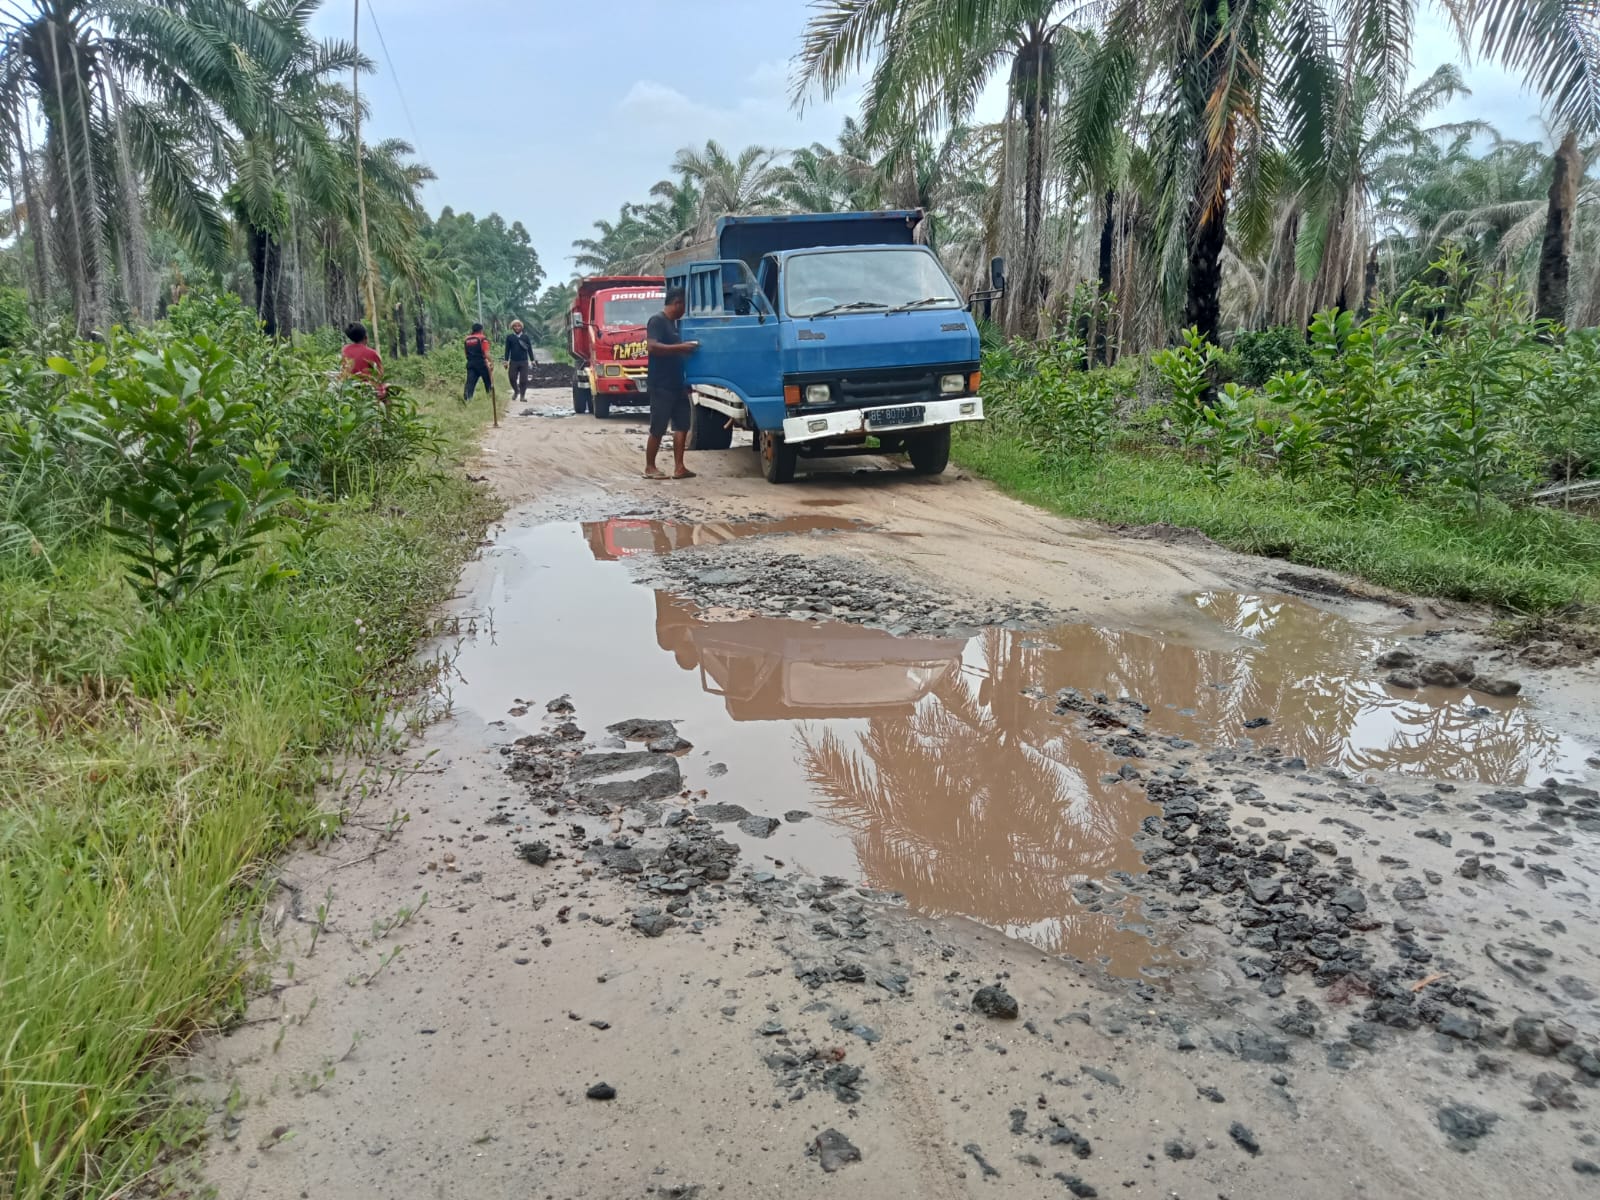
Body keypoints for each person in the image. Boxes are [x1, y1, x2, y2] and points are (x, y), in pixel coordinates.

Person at [644, 288, 699, 480]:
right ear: (677, 303)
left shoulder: (674, 325)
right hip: (661, 385)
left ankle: (679, 467)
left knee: (682, 425)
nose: (684, 310)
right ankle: (650, 467)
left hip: (678, 385)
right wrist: (681, 347)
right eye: (684, 305)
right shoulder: (657, 321)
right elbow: (652, 346)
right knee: (658, 427)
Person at [340, 321, 386, 401]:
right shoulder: (372, 353)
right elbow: (380, 375)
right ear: (366, 337)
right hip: (368, 390)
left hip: (349, 388)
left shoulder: (345, 350)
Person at [463, 323, 494, 404]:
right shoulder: (482, 338)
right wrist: (491, 362)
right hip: (481, 363)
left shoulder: (467, 339)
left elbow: (466, 354)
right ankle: (490, 398)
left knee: (470, 383)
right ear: (481, 330)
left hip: (470, 363)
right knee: (487, 381)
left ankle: (467, 400)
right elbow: (486, 353)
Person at [503, 320, 534, 402]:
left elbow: (529, 349)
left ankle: (522, 396)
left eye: (518, 326)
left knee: (523, 380)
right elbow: (507, 350)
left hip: (524, 361)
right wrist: (506, 361)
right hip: (513, 361)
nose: (517, 328)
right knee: (512, 378)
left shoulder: (525, 337)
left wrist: (532, 360)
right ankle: (516, 391)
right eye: (515, 326)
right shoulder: (510, 337)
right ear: (512, 327)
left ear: (521, 327)